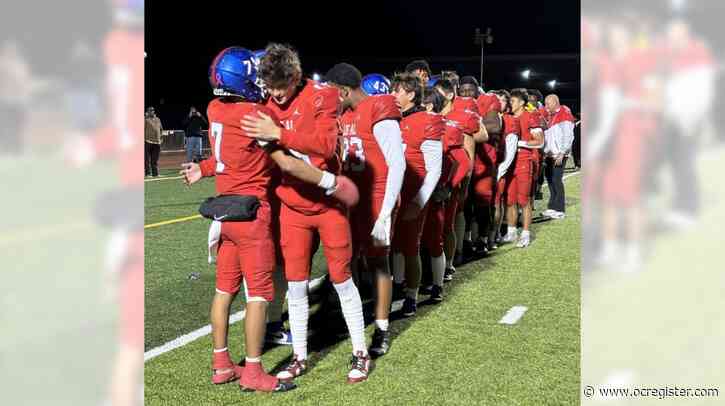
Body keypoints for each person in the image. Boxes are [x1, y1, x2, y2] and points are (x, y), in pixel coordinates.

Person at [241, 43, 371, 383]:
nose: (276, 95)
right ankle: (299, 355)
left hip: (328, 205)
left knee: (342, 278)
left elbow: (325, 146)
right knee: (295, 285)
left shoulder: (322, 96)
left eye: (281, 87)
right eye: (270, 88)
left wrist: (279, 134)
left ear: (296, 76)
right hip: (292, 207)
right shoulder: (265, 104)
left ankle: (360, 350)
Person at [181, 47, 298, 393]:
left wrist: (202, 169)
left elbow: (224, 155)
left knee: (223, 291)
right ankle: (253, 372)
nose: (260, 81)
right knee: (259, 295)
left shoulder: (214, 108)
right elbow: (283, 158)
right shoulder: (256, 114)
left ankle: (221, 364)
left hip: (223, 213)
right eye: (255, 75)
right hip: (252, 214)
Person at [325, 62, 405, 356]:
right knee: (350, 257)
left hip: (377, 197)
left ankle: (382, 328)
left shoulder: (379, 107)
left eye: (334, 93)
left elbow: (397, 162)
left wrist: (384, 212)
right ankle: (357, 318)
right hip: (353, 197)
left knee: (378, 262)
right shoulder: (344, 114)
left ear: (344, 90)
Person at [390, 73, 444, 317]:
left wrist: (418, 202)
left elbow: (434, 169)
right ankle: (398, 287)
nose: (392, 95)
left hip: (412, 192)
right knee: (394, 246)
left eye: (397, 91)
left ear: (411, 95)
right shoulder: (392, 118)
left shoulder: (428, 120)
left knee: (411, 247)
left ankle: (411, 295)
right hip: (392, 192)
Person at [502, 89, 543, 248]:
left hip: (524, 160)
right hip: (510, 161)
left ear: (521, 102)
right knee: (510, 199)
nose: (509, 104)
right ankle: (511, 231)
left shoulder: (530, 116)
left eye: (512, 101)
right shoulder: (509, 117)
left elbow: (539, 142)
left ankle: (525, 233)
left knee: (524, 200)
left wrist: (516, 144)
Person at [542, 94, 576, 219]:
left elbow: (568, 136)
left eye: (548, 104)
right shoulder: (551, 115)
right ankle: (552, 207)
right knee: (550, 179)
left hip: (559, 154)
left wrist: (562, 152)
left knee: (556, 180)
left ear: (555, 102)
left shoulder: (564, 114)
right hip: (551, 154)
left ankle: (560, 209)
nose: (546, 106)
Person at [144, 107, 163, 177]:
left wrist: (161, 138)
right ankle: (147, 173)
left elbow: (161, 129)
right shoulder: (145, 119)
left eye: (153, 110)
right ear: (148, 112)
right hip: (147, 141)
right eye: (150, 111)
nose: (152, 112)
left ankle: (155, 173)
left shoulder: (158, 119)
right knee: (146, 159)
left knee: (155, 159)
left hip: (157, 143)